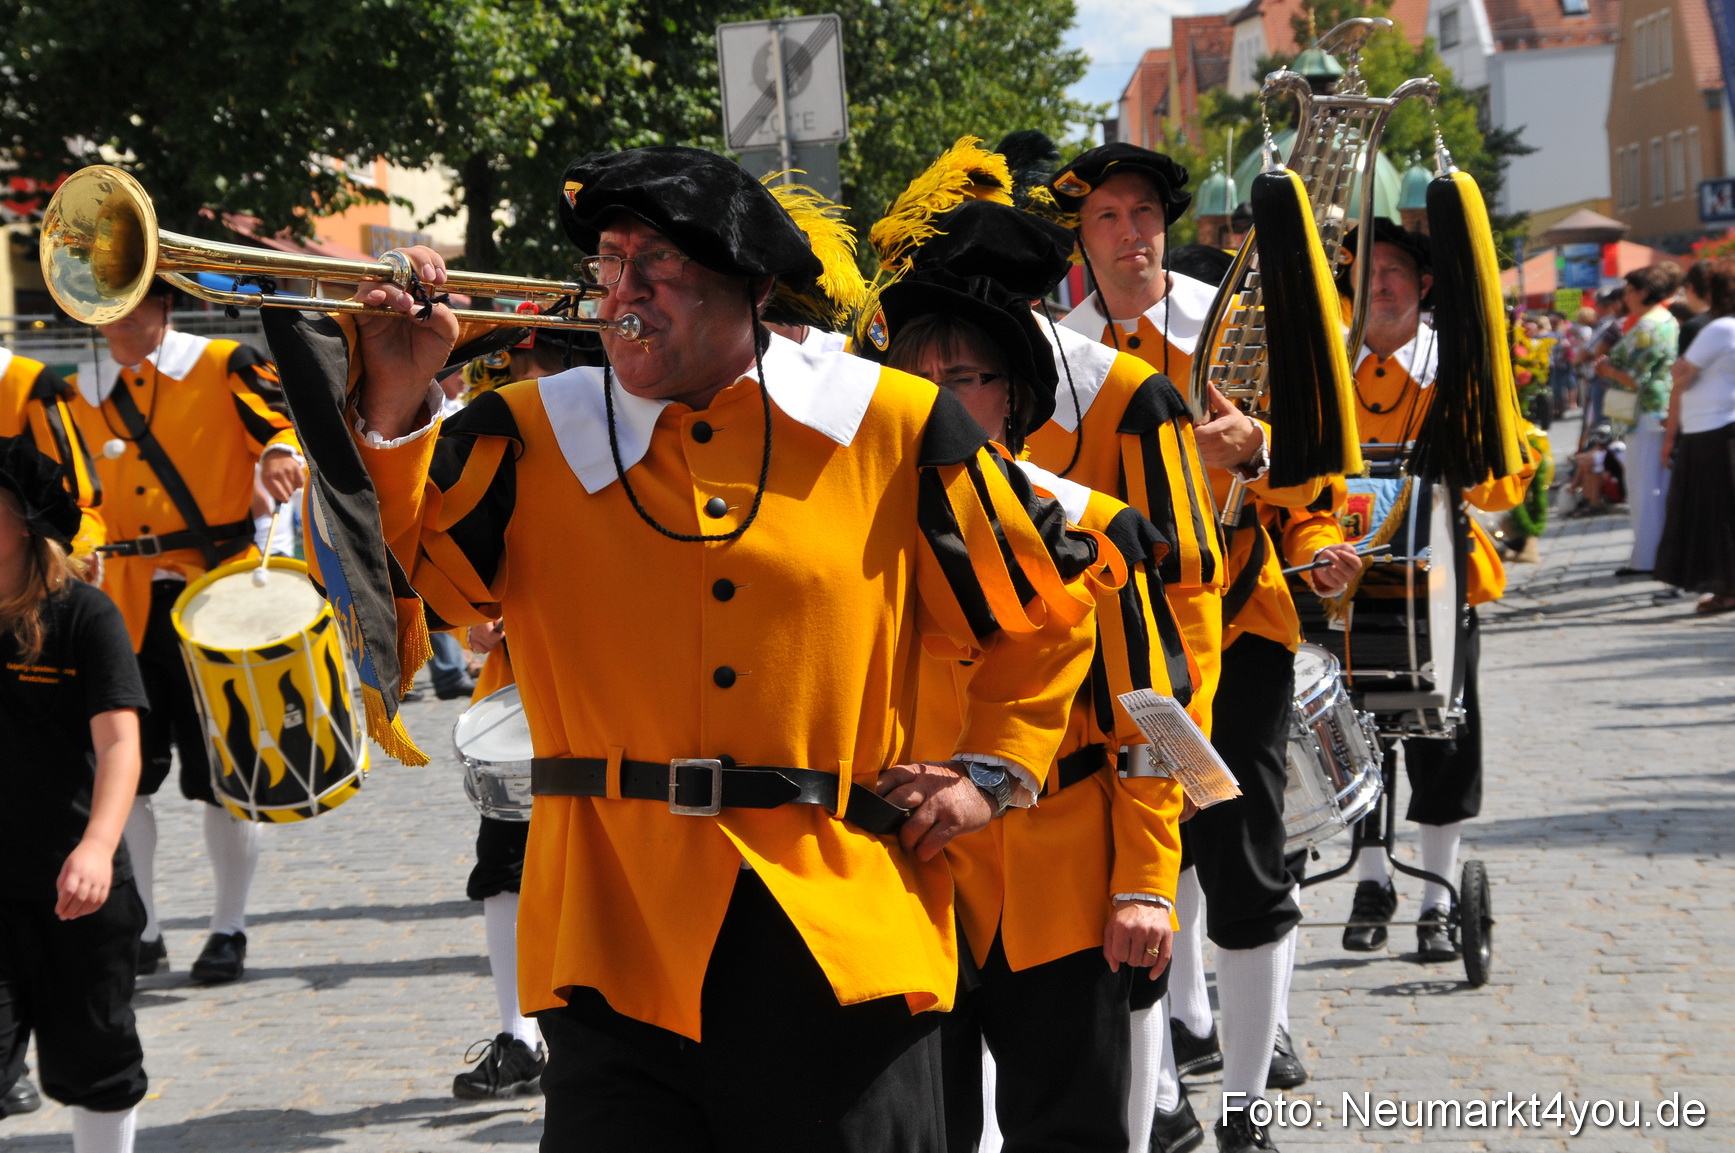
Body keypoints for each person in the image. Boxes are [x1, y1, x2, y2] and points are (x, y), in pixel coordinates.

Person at [313, 145, 1100, 1151]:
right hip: (612, 936)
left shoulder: (890, 425)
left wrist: (993, 773)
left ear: (750, 287)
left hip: (840, 926)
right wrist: (392, 406)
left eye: (660, 269)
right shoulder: (522, 433)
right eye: (610, 262)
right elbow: (409, 594)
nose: (625, 294)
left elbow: (1047, 608)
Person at [1050, 142, 1343, 1153]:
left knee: (1245, 862)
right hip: (1126, 639)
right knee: (1136, 873)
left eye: (1143, 215)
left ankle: (1250, 1106)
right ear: (1082, 241)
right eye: (1107, 220)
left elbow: (1309, 471)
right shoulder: (1067, 355)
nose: (1130, 234)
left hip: (1242, 624)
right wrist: (1183, 459)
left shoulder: (1232, 325)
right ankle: (1159, 1093)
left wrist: (1264, 468)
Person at [870, 240, 1186, 1151]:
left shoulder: (1094, 528)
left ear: (1012, 397)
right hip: (907, 883)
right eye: (909, 375)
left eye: (961, 376)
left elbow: (1156, 724)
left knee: (1071, 1132)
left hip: (1063, 891)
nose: (932, 397)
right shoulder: (853, 533)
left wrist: (1147, 886)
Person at [66, 280, 306, 984]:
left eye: (140, 294)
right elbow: (73, 493)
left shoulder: (225, 361)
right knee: (126, 774)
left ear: (167, 301)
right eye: (109, 298)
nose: (125, 312)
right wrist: (79, 536)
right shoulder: (77, 388)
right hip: (121, 604)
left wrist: (275, 453)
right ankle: (144, 926)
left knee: (227, 777)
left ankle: (227, 926)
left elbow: (282, 428)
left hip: (216, 600)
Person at [1329, 222, 1533, 960]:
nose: (1377, 284)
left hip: (1440, 586)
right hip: (1341, 589)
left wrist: (1472, 455)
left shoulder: (1461, 365)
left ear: (1423, 286)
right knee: (1354, 744)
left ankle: (1436, 897)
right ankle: (1372, 879)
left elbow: (1507, 480)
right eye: (1363, 272)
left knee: (1443, 741)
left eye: (1393, 271)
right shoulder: (1325, 365)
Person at [0, 435, 152, 1153]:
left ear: (24, 522)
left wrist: (96, 845)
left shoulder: (85, 616)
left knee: (97, 1060)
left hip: (76, 885)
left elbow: (119, 742)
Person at [1656, 257, 1735, 614]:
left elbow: (1684, 376)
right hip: (1722, 427)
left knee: (1713, 514)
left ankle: (1727, 588)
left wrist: (1678, 374)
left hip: (1710, 429)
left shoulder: (1719, 330)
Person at [1596, 265, 1679, 576]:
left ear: (1644, 292)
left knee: (1643, 487)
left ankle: (1647, 558)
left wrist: (1606, 369)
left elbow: (1634, 377)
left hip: (1643, 411)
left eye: (1629, 291)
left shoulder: (1648, 326)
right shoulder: (1662, 319)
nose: (1624, 298)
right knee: (1652, 486)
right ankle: (1653, 555)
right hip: (1651, 409)